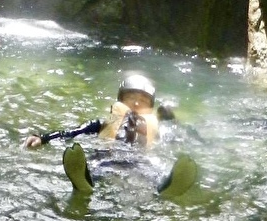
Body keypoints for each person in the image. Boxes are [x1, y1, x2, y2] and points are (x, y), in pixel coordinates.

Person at [25, 73, 196, 199]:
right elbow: (72, 132)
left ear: (150, 108)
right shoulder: (103, 123)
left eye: (143, 101)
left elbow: (178, 138)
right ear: (120, 100)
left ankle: (165, 188)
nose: (136, 103)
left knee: (154, 173)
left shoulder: (156, 130)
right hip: (108, 156)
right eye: (131, 98)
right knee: (96, 167)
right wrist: (43, 138)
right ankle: (85, 184)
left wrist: (172, 120)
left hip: (139, 161)